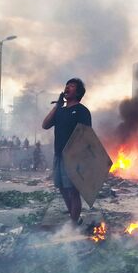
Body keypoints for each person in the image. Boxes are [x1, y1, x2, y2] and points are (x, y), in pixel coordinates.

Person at [42, 78, 91, 224]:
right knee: (62, 188)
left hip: (74, 157)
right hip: (59, 155)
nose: (67, 87)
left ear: (78, 92)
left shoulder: (82, 111)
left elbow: (87, 135)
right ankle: (74, 219)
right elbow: (45, 125)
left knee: (73, 191)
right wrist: (58, 105)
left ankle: (73, 223)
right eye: (67, 85)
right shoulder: (60, 111)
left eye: (72, 86)